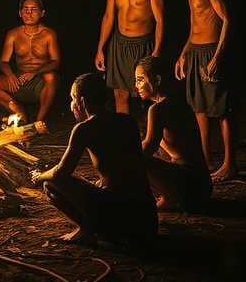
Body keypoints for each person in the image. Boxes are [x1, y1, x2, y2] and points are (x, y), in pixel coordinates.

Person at [31, 72, 158, 249]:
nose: (71, 104)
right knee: (95, 184)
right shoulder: (128, 121)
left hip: (118, 220)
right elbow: (126, 166)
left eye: (73, 98)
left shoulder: (84, 129)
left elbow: (62, 173)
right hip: (147, 219)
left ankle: (86, 230)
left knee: (50, 184)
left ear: (81, 101)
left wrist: (41, 176)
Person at [170, 0, 239, 182]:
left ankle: (230, 164)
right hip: (196, 51)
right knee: (199, 108)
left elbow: (228, 19)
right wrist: (184, 53)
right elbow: (195, 24)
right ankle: (206, 161)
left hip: (212, 50)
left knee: (221, 109)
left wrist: (218, 57)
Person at [95, 0, 164, 116]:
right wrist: (100, 48)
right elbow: (109, 16)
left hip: (143, 45)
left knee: (150, 95)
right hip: (118, 45)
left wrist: (156, 51)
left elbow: (160, 21)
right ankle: (124, 136)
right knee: (119, 95)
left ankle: (157, 137)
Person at [134, 55, 213, 212]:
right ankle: (168, 198)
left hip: (191, 182)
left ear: (157, 80)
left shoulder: (159, 109)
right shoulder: (177, 101)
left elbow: (149, 145)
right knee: (149, 155)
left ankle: (173, 197)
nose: (136, 85)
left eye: (140, 79)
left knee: (141, 162)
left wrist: (118, 167)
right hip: (202, 183)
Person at [0, 0, 60, 128]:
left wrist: (36, 72)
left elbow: (55, 61)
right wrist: (10, 75)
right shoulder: (13, 34)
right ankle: (20, 113)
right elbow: (3, 62)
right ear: (20, 13)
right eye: (26, 9)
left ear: (42, 13)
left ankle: (38, 122)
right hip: (20, 81)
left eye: (34, 9)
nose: (29, 13)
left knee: (51, 77)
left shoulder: (49, 34)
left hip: (40, 83)